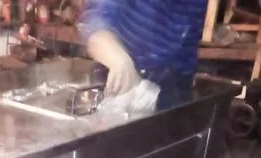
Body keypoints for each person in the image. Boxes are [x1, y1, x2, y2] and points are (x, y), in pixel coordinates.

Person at [80, 0, 208, 97]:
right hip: (111, 85)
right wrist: (119, 60)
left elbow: (186, 54)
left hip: (162, 89)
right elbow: (94, 22)